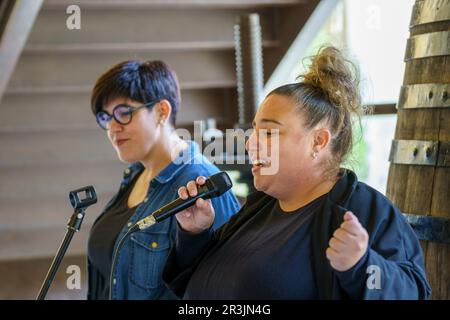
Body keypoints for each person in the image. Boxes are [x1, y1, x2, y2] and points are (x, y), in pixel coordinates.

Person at [162, 47, 431, 299]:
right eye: (254, 131)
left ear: (318, 142)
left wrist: (362, 266)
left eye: (268, 132)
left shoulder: (364, 208)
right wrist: (195, 235)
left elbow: (413, 291)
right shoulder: (260, 208)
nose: (249, 143)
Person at [86, 60, 241, 300]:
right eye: (106, 117)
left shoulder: (202, 185)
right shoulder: (136, 174)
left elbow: (226, 290)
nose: (113, 128)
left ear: (161, 111)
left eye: (124, 113)